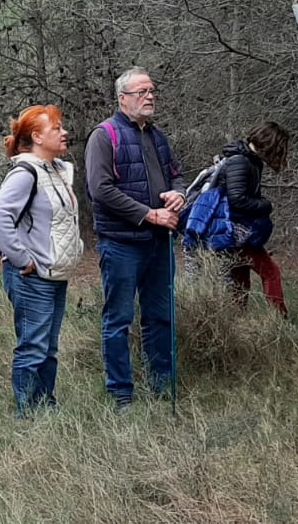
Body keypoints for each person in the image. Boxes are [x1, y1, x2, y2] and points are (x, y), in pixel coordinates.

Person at [84, 68, 185, 409]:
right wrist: (148, 213)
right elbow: (100, 190)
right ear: (122, 98)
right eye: (141, 91)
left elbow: (176, 175)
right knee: (119, 319)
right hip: (121, 244)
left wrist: (179, 196)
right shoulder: (104, 135)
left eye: (152, 90)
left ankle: (162, 385)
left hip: (159, 243)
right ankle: (121, 393)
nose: (150, 97)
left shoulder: (158, 136)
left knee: (161, 315)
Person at [0, 107, 83, 415]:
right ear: (37, 137)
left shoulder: (54, 170)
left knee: (49, 347)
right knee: (33, 346)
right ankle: (26, 413)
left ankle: (45, 406)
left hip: (54, 274)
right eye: (56, 128)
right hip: (32, 276)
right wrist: (21, 258)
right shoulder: (25, 173)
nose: (63, 132)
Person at [216, 122, 291, 316]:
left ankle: (237, 321)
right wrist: (265, 205)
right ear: (269, 143)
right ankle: (280, 322)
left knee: (240, 277)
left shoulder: (249, 160)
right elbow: (237, 199)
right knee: (271, 273)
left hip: (237, 231)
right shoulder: (241, 161)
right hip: (238, 231)